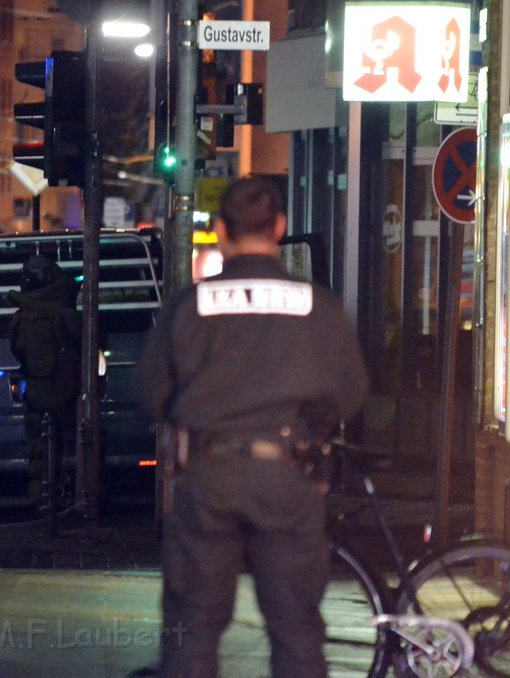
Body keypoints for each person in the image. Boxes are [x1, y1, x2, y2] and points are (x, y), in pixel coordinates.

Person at [134, 176, 369, 678]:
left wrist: (195, 417)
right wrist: (310, 432)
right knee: (295, 628)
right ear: (280, 228)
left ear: (220, 231)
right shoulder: (317, 307)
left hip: (210, 475)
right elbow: (351, 391)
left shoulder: (189, 306)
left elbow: (150, 392)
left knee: (192, 626)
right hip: (288, 475)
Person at [8, 254, 81, 508]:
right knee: (75, 445)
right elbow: (91, 343)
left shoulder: (21, 318)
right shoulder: (67, 314)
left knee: (39, 450)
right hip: (68, 391)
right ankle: (72, 497)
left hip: (37, 393)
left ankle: (41, 498)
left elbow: (17, 349)